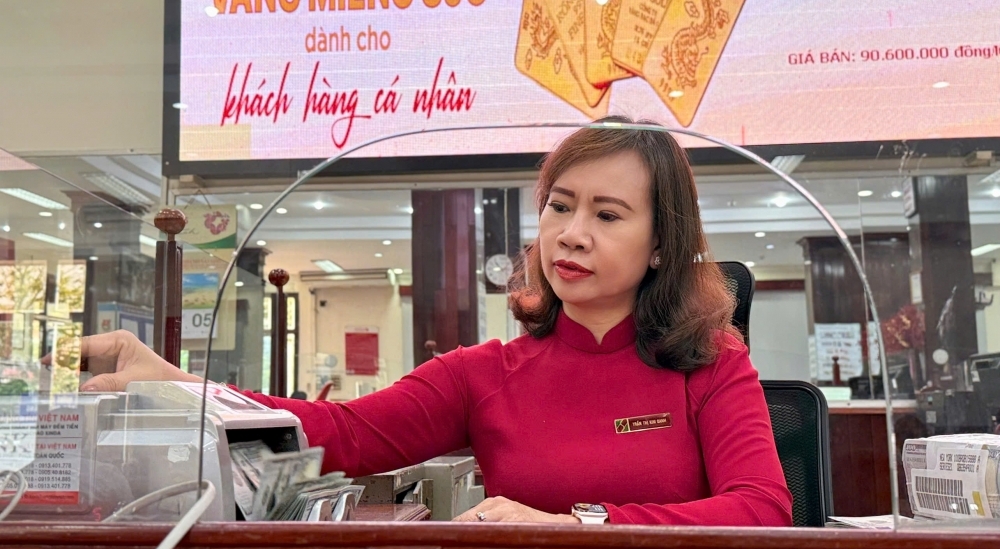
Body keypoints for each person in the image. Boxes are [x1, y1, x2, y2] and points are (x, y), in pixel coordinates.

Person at [77, 118, 793, 526]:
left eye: (607, 215)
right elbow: (339, 435)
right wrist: (175, 385)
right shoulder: (482, 375)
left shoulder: (712, 361)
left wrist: (574, 525)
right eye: (559, 205)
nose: (571, 234)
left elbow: (763, 509)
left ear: (661, 241)